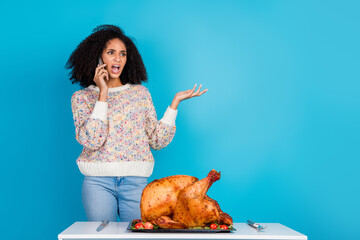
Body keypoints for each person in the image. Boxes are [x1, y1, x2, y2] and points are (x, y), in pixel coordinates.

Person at [65, 24, 207, 222]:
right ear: (97, 57)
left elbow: (158, 141)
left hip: (136, 182)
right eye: (111, 52)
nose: (118, 58)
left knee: (139, 235)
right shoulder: (81, 98)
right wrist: (103, 93)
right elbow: (93, 140)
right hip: (97, 183)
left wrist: (174, 105)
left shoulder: (140, 94)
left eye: (122, 54)